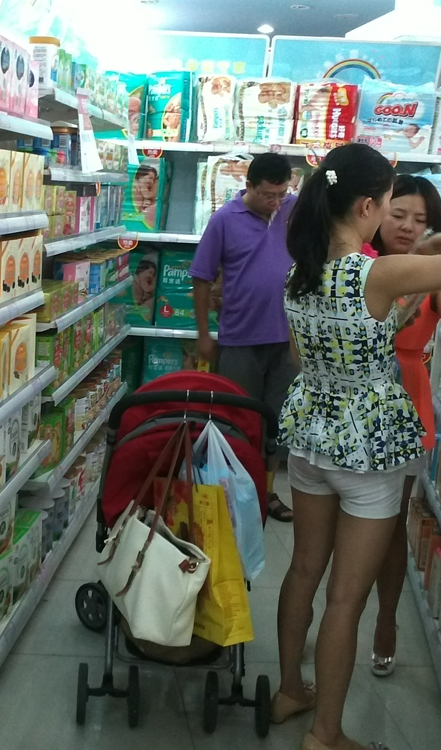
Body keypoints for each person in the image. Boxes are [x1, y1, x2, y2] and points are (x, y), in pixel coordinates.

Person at [272, 143, 441, 750]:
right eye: (387, 205)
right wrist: (440, 242)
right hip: (368, 449)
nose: (392, 218)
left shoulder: (298, 272)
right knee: (345, 600)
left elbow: (300, 357)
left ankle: (289, 689)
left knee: (302, 569)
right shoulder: (378, 274)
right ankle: (326, 734)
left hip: (310, 437)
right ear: (366, 206)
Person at [366, 175, 441, 678]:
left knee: (392, 522)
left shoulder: (432, 274)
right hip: (352, 396)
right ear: (375, 212)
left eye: (421, 220)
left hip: (405, 401)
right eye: (399, 215)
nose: (409, 227)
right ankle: (337, 612)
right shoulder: (355, 262)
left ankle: (385, 620)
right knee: (343, 522)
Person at [191, 152, 297, 522]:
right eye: (268, 194)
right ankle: (232, 493)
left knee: (277, 423)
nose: (276, 202)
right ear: (248, 185)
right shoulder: (224, 219)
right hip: (239, 338)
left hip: (287, 340)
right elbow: (201, 278)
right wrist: (204, 334)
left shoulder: (293, 210)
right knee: (236, 421)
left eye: (282, 193)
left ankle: (267, 492)